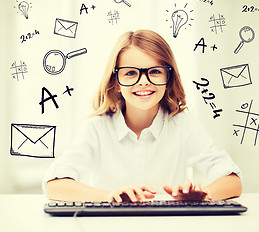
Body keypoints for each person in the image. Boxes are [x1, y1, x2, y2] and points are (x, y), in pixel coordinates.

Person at [43, 29, 242, 203]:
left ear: (168, 77)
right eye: (130, 73)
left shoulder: (183, 125)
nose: (143, 82)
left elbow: (232, 181)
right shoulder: (96, 128)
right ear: (116, 81)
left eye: (155, 71)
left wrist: (203, 195)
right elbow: (55, 185)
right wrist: (109, 197)